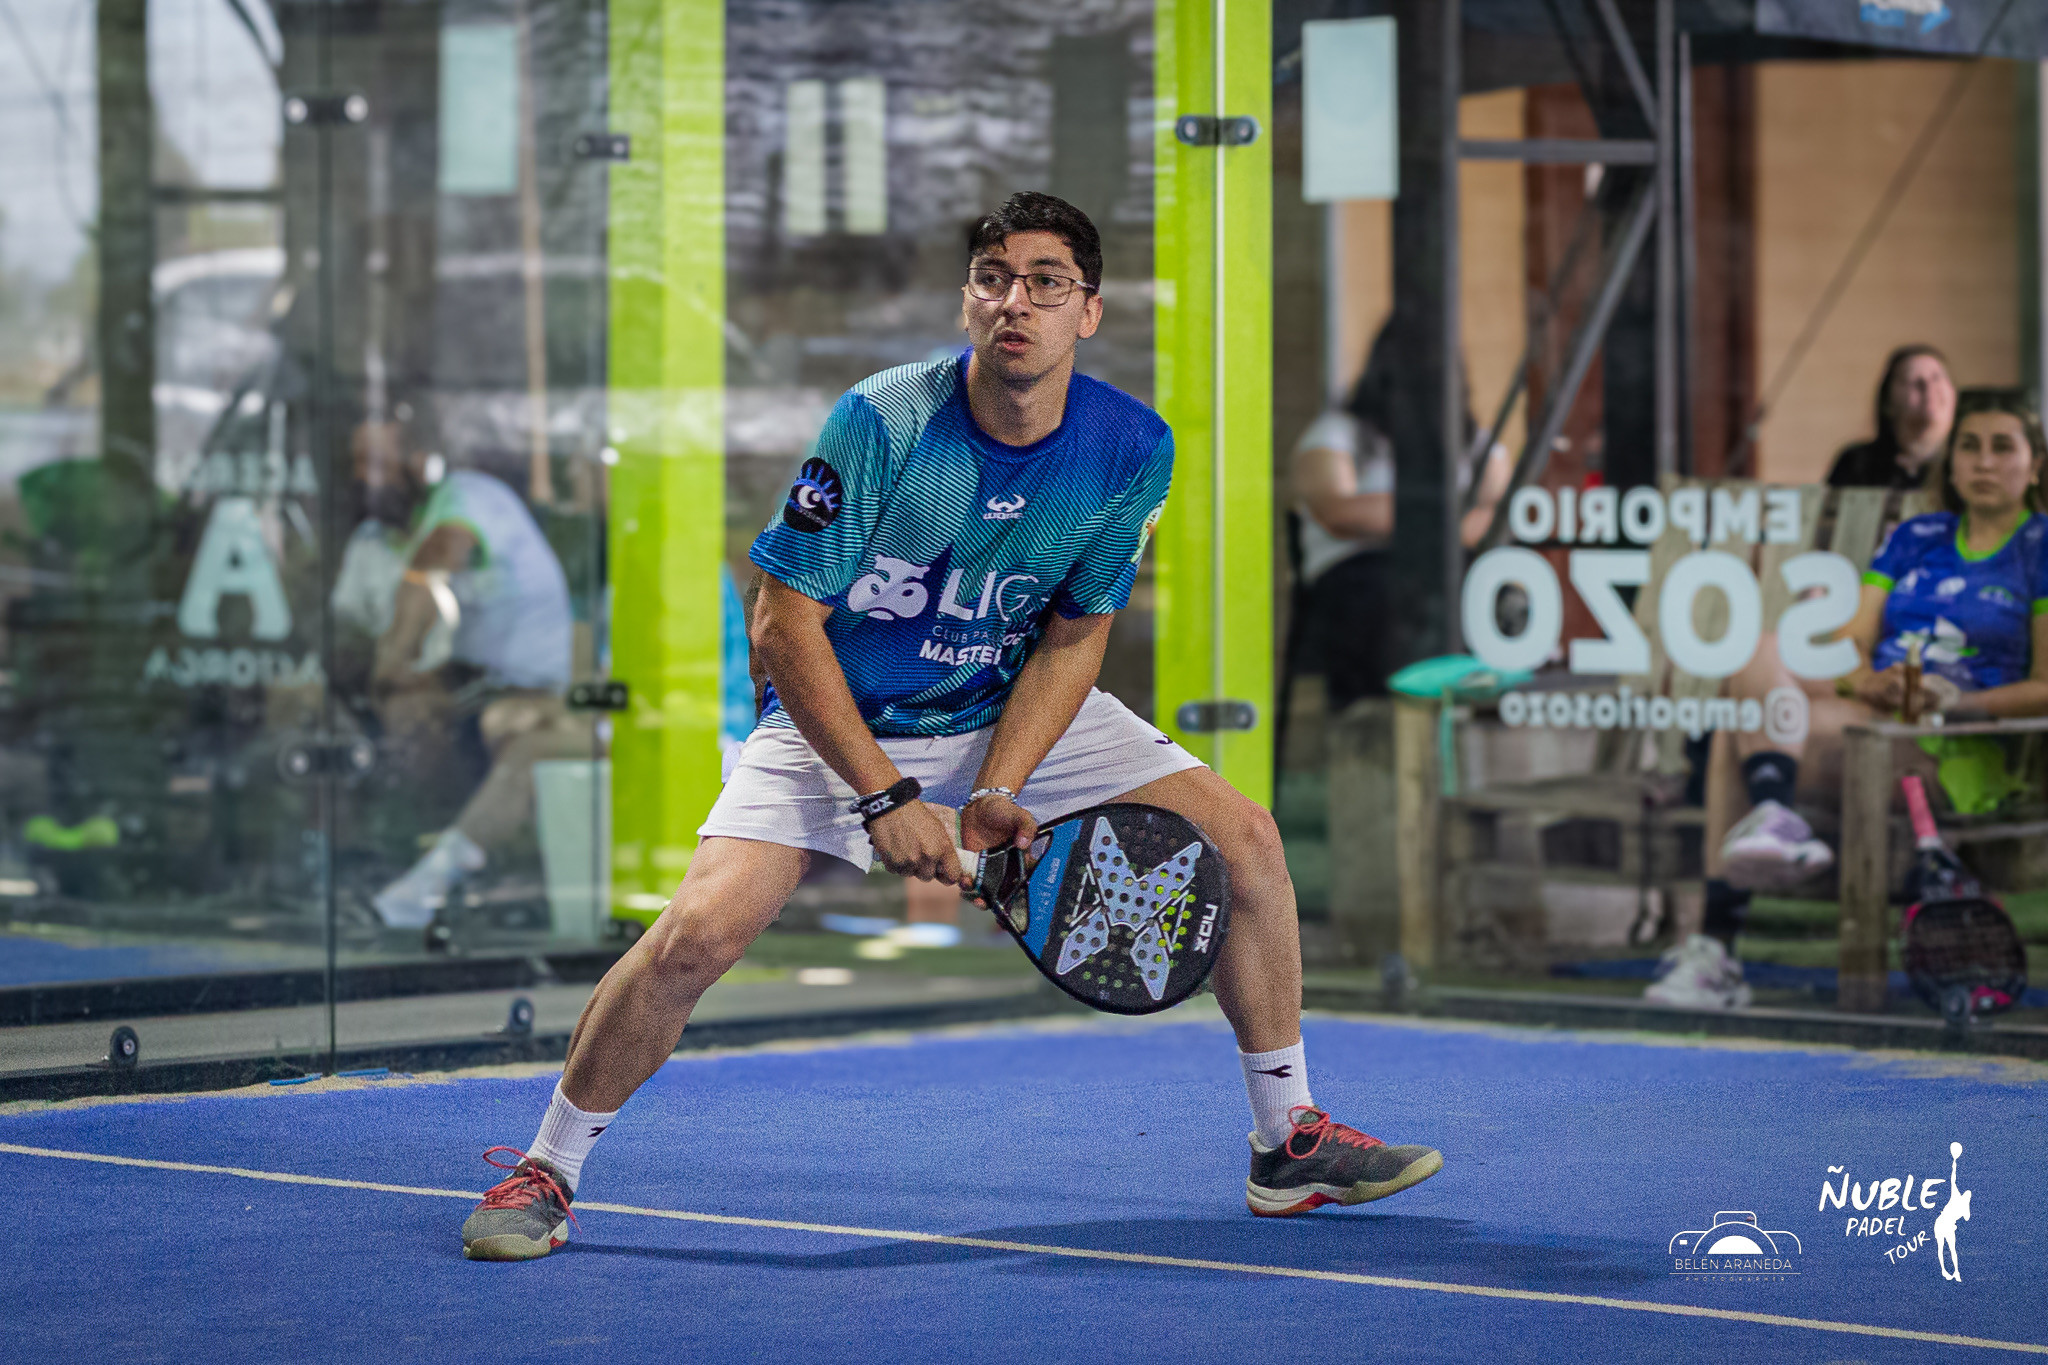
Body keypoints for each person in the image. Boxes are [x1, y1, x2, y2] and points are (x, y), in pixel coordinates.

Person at [457, 192, 1443, 1260]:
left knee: (1245, 839)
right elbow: (781, 624)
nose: (1015, 301)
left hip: (1001, 698)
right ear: (969, 300)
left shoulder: (1129, 447)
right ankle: (546, 1168)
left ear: (1088, 311)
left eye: (1046, 282)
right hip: (840, 711)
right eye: (993, 278)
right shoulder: (883, 421)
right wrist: (884, 792)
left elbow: (1074, 634)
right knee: (696, 935)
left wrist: (997, 786)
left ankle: (1286, 1143)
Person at [1651, 390, 2048, 1009]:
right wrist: (1867, 682)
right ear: (1951, 462)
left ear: (2036, 464)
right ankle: (1772, 821)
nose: (1984, 462)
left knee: (1738, 733)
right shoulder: (1918, 536)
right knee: (1759, 651)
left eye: (2004, 447)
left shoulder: (2039, 549)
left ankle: (1719, 943)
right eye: (1969, 446)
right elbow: (1852, 639)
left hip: (1960, 744)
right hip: (1880, 712)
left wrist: (1958, 705)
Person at [342, 405, 590, 929]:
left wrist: (391, 659)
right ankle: (400, 855)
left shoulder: (467, 497)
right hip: (480, 679)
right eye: (357, 463)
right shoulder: (400, 525)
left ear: (422, 461)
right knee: (406, 712)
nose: (363, 478)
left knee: (429, 718)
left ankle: (427, 880)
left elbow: (433, 564)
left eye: (376, 463)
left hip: (534, 689)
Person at [1290, 320, 1510, 711]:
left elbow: (1497, 520)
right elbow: (1337, 512)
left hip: (1447, 566)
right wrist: (1450, 514)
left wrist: (1395, 514)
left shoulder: (1475, 441)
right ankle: (1385, 714)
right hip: (1360, 572)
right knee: (1388, 595)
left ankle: (1482, 708)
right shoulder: (1339, 432)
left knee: (1492, 589)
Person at [1824, 345, 1956, 490]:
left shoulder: (1965, 465)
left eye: (1937, 377)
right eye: (1913, 379)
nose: (1927, 386)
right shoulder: (1856, 463)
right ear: (1887, 402)